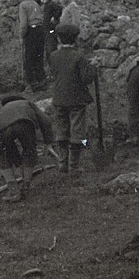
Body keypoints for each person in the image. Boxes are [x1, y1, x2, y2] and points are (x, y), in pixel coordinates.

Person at [48, 23, 95, 173]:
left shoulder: (53, 55)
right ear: (75, 38)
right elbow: (86, 79)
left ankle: (63, 163)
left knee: (62, 130)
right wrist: (93, 67)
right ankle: (74, 165)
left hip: (59, 97)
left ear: (59, 39)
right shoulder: (79, 56)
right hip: (76, 99)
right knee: (78, 131)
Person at [0, 94, 54, 202]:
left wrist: (17, 162)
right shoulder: (28, 103)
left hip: (2, 127)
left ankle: (14, 191)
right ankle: (25, 187)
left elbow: (9, 145)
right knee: (29, 151)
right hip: (25, 123)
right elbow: (46, 121)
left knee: (2, 154)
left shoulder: (4, 110)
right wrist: (48, 143)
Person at [17, 0, 46, 90]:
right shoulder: (35, 4)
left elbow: (24, 23)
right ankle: (41, 80)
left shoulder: (23, 5)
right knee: (39, 56)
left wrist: (21, 36)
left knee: (29, 57)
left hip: (31, 31)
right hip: (40, 30)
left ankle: (30, 82)